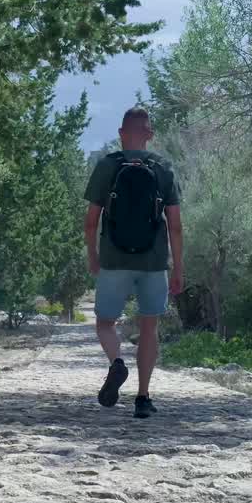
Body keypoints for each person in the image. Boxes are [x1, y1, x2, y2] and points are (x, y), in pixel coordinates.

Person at [82, 107, 183, 419]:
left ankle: (116, 364)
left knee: (104, 323)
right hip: (153, 262)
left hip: (114, 258)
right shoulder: (164, 168)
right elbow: (175, 225)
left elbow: (90, 221)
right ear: (149, 135)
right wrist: (178, 267)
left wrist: (93, 256)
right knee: (149, 327)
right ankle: (143, 397)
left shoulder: (107, 166)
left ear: (121, 133)